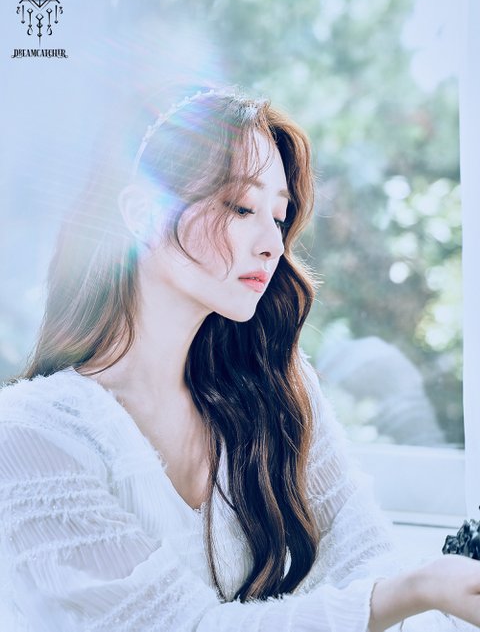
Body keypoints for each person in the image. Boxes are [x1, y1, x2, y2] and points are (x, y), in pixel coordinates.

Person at [0, 85, 479, 632]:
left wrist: (432, 585)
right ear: (143, 212)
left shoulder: (277, 388)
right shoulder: (29, 434)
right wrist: (415, 589)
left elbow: (366, 560)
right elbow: (180, 628)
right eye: (241, 207)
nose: (272, 243)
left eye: (279, 216)